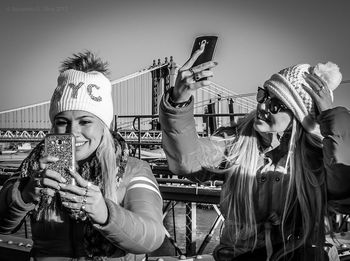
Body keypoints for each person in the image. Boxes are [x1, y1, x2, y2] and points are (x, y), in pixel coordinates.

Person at [159, 47, 350, 261]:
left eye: (276, 104)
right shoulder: (236, 142)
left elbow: (344, 194)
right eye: (263, 94)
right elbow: (186, 162)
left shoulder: (318, 157)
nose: (262, 105)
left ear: (299, 116)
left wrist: (333, 119)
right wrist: (178, 102)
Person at [0, 51, 165, 260]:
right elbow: (2, 224)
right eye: (62, 121)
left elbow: (153, 237)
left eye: (85, 121)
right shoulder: (34, 168)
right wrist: (24, 194)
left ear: (104, 126)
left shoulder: (134, 169)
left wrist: (105, 213)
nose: (72, 132)